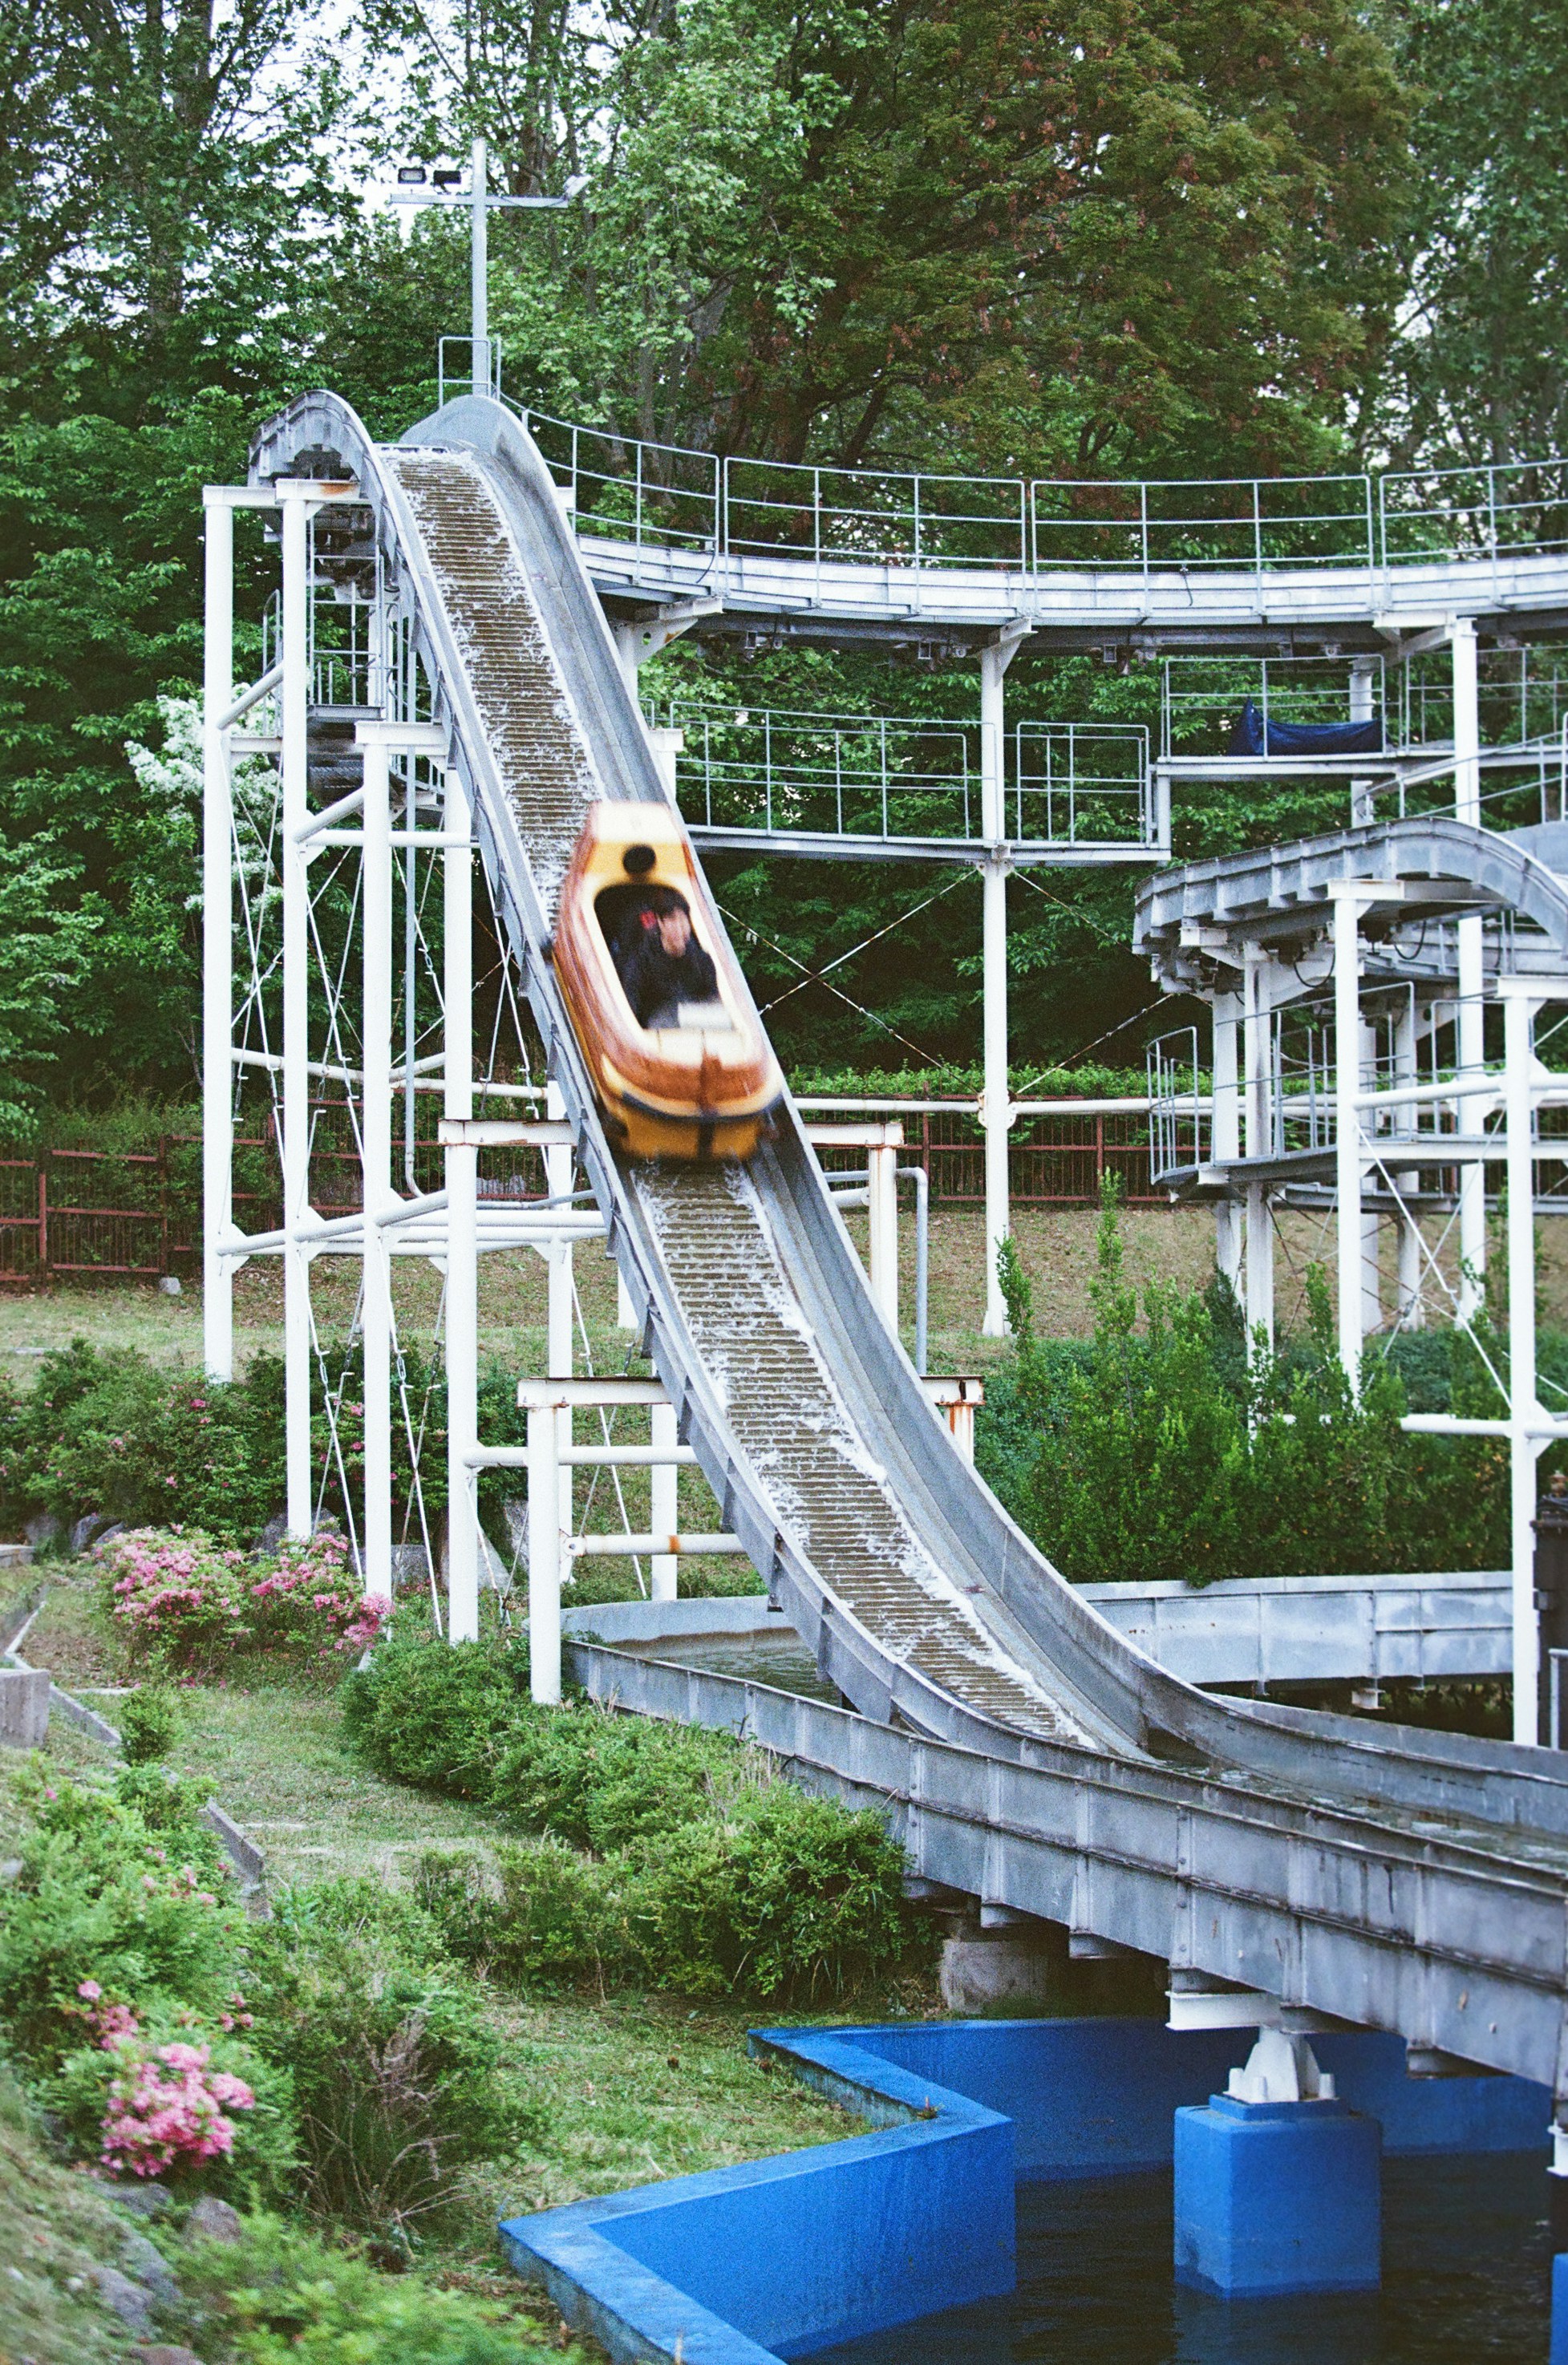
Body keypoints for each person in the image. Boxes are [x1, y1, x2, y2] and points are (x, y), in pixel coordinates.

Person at [612, 885, 719, 1029]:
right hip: (654, 1031)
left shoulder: (702, 961)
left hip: (691, 1028)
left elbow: (713, 1005)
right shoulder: (639, 963)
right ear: (660, 923)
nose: (680, 928)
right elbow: (629, 1011)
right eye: (672, 920)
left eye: (683, 920)